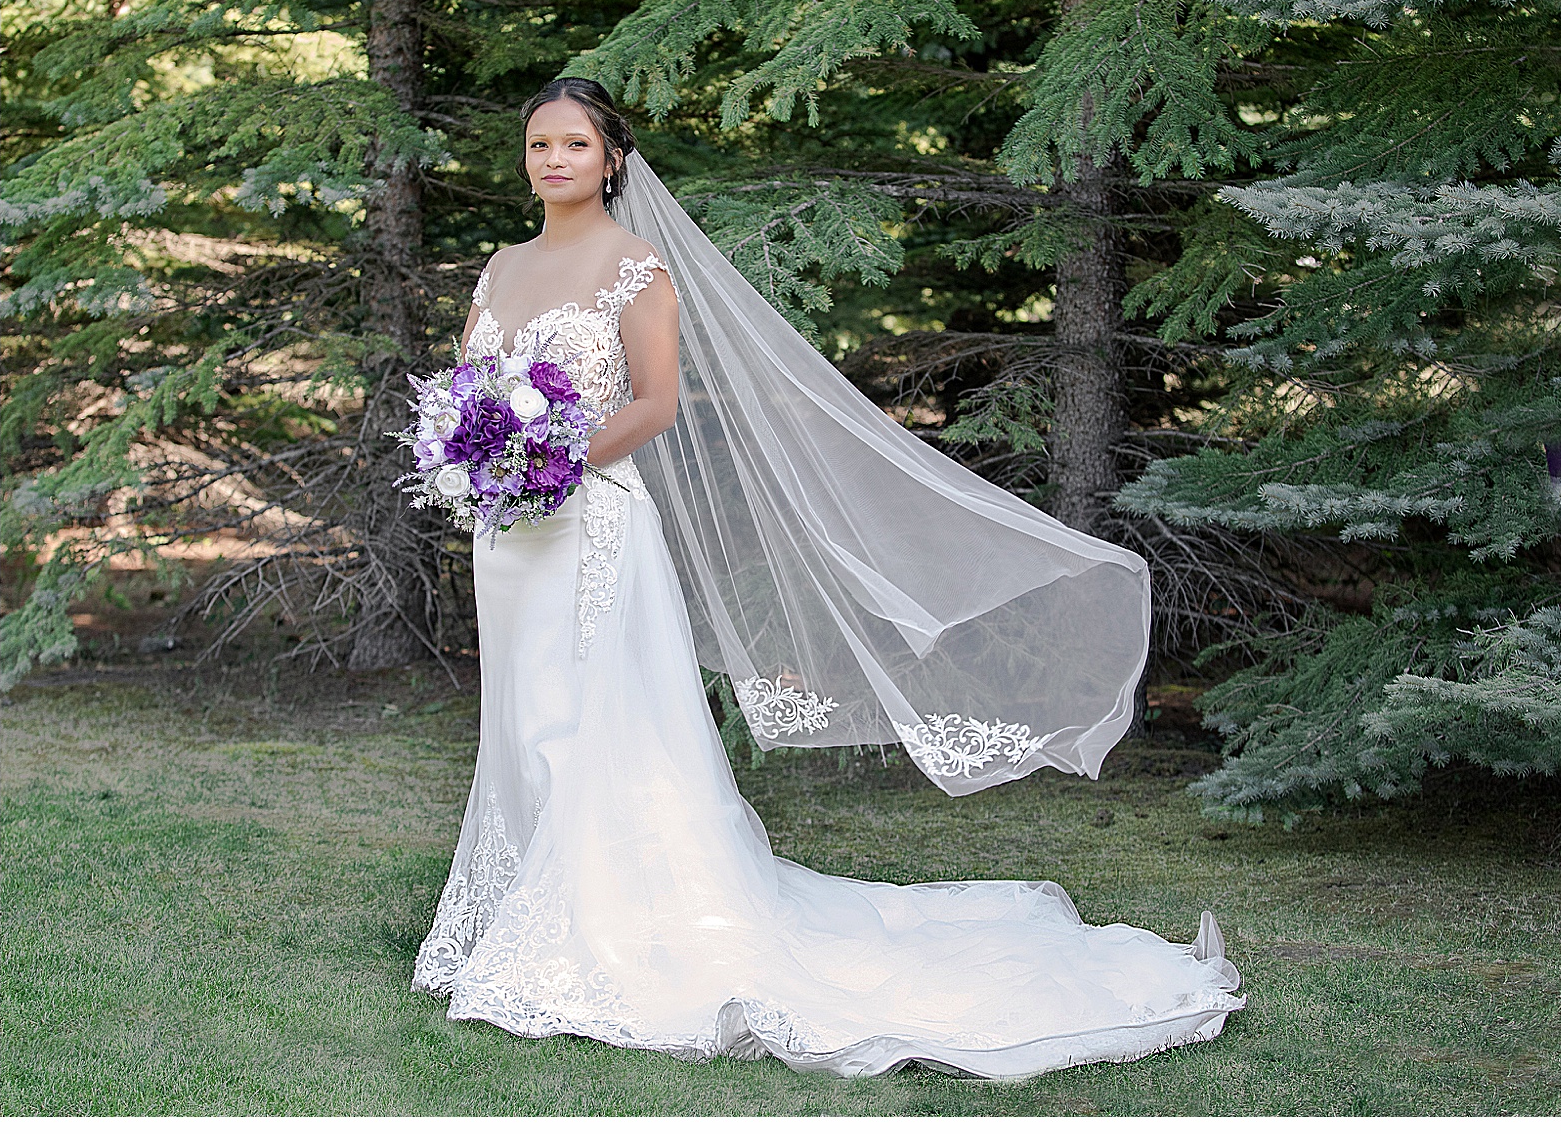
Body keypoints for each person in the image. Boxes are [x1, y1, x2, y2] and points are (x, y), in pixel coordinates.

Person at [411, 77, 1243, 1079]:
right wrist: (474, 456)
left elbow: (659, 404)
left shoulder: (637, 269)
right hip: (508, 533)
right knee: (521, 719)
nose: (553, 160)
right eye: (539, 143)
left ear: (612, 159)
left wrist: (557, 455)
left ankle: (605, 924)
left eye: (574, 144)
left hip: (590, 525)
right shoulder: (502, 267)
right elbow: (467, 389)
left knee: (590, 720)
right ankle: (517, 903)